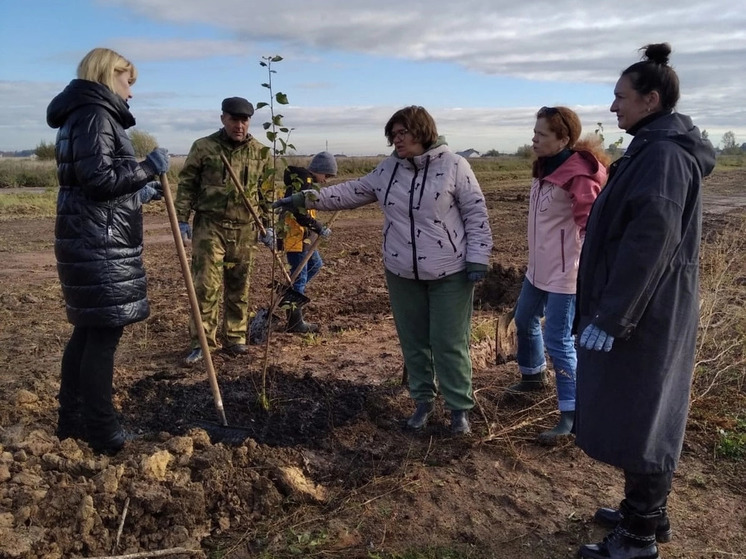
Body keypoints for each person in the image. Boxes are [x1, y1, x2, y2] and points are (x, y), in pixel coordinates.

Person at [574, 43, 716, 559]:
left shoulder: (662, 157)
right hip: (647, 308)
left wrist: (614, 317)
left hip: (647, 313)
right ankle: (647, 515)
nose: (613, 108)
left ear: (650, 100)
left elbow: (648, 244)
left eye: (620, 98)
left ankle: (637, 538)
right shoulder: (651, 150)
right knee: (644, 411)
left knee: (648, 415)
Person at [274, 105, 493, 434]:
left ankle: (459, 408)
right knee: (414, 341)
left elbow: (476, 214)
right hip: (401, 269)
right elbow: (350, 191)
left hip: (451, 270)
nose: (396, 140)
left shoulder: (455, 166)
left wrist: (478, 257)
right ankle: (422, 403)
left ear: (422, 131)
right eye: (392, 135)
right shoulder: (389, 169)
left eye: (402, 133)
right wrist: (305, 198)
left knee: (448, 341)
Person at [46, 47, 169, 454]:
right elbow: (99, 180)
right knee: (102, 336)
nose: (130, 93)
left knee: (88, 333)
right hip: (99, 243)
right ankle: (102, 432)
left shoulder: (82, 114)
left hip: (91, 236)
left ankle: (73, 423)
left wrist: (139, 191)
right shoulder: (96, 115)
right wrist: (149, 167)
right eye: (127, 81)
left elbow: (94, 183)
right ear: (108, 74)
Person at [505, 107, 608, 445]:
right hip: (539, 270)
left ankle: (572, 414)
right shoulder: (546, 167)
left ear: (563, 139)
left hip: (566, 274)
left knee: (559, 341)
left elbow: (591, 227)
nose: (533, 139)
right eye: (534, 133)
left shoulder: (579, 176)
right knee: (524, 319)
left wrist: (591, 273)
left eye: (541, 135)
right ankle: (533, 376)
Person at [175, 96, 272, 365]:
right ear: (223, 119)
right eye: (234, 119)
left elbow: (267, 194)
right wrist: (181, 217)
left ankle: (236, 339)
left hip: (245, 229)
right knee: (205, 286)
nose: (239, 125)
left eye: (244, 120)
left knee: (239, 285)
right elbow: (187, 185)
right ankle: (203, 344)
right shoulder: (204, 147)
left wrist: (269, 226)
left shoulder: (260, 153)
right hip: (210, 227)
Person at [280, 152, 337, 333]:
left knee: (315, 265)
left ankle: (290, 296)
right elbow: (298, 212)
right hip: (296, 238)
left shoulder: (308, 183)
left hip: (305, 238)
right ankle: (295, 322)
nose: (326, 180)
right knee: (299, 278)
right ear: (319, 170)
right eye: (326, 175)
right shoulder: (303, 182)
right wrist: (318, 227)